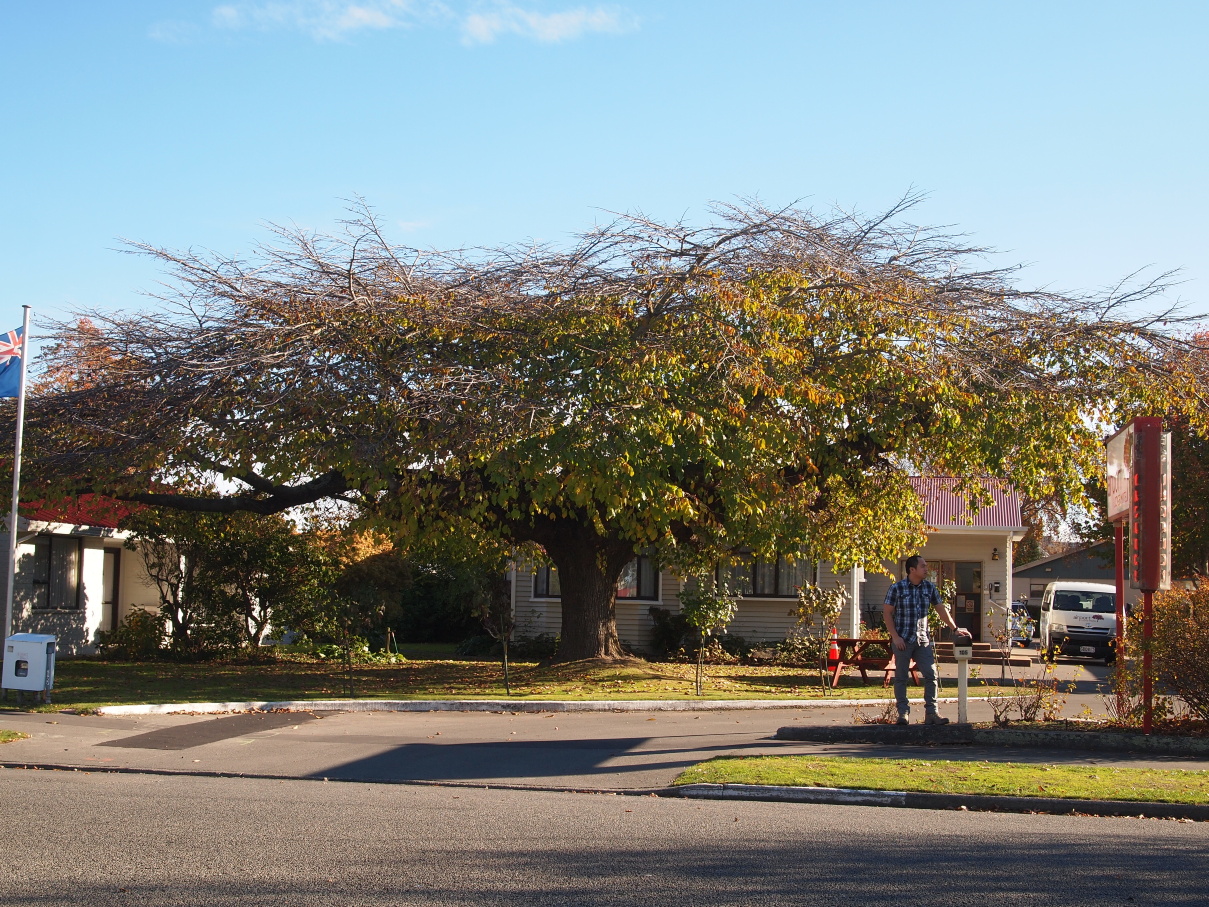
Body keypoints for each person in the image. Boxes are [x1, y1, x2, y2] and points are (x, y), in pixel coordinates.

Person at [882, 555, 971, 726]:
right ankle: (903, 714)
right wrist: (895, 636)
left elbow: (941, 610)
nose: (926, 569)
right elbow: (887, 612)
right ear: (912, 570)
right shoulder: (897, 588)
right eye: (922, 566)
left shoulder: (929, 588)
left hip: (922, 640)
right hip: (902, 640)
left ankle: (932, 713)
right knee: (901, 677)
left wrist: (955, 629)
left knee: (931, 675)